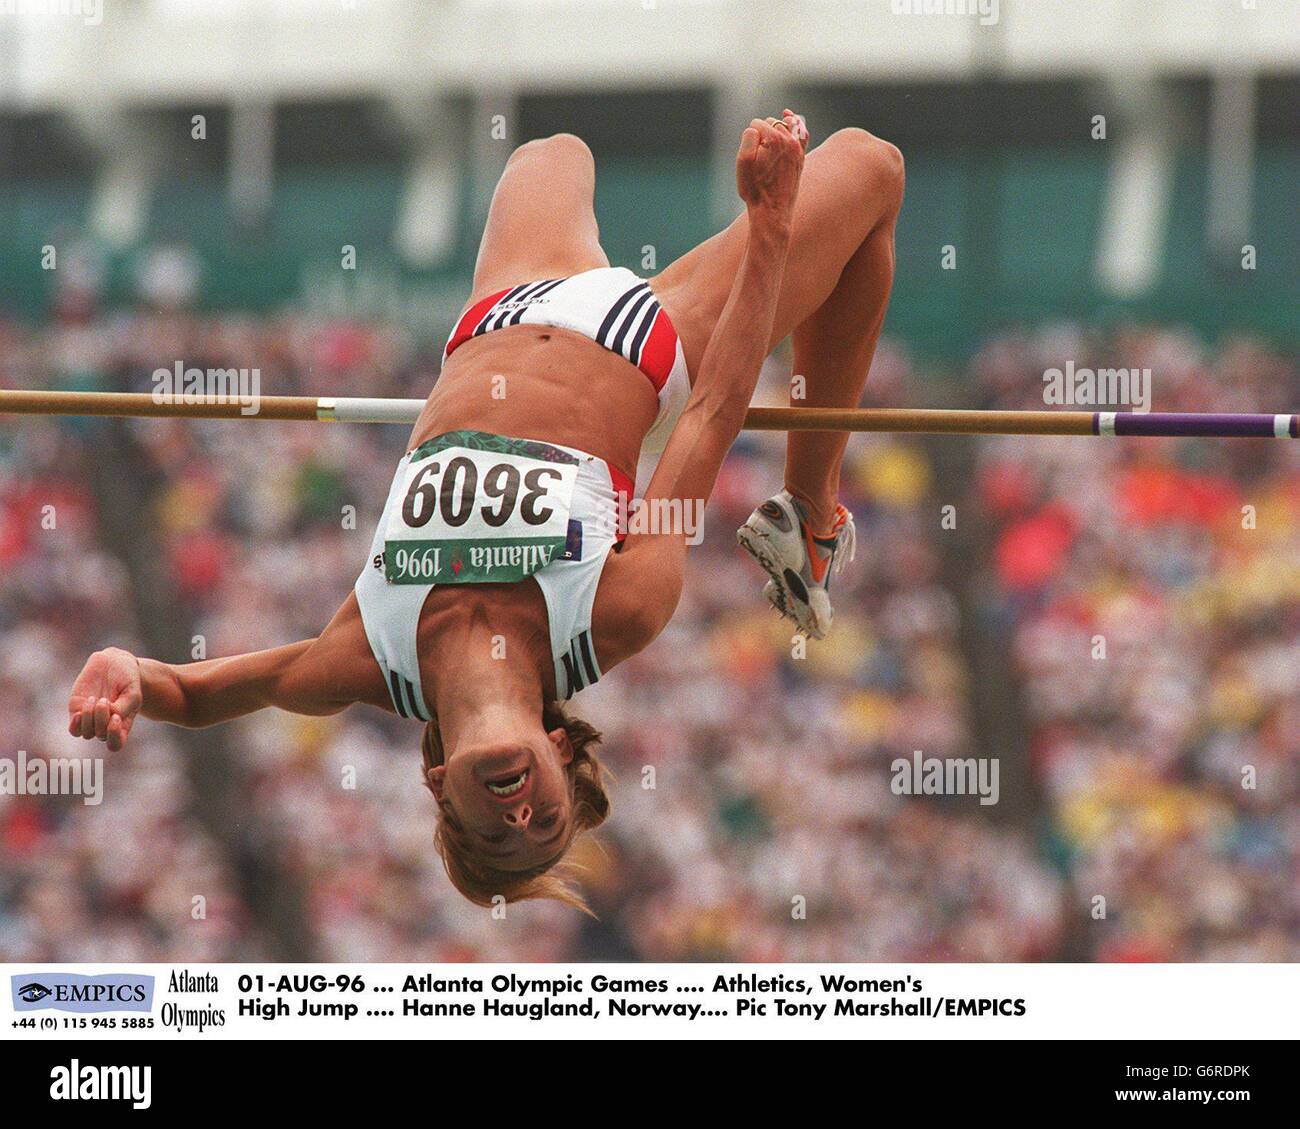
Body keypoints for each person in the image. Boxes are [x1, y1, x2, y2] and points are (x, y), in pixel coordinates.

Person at [67, 111, 904, 909]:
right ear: (561, 747)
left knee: (551, 149)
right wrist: (769, 223)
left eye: (496, 835)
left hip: (496, 318)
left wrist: (129, 672)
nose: (517, 815)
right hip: (645, 340)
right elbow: (714, 411)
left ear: (438, 786)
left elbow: (199, 692)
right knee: (873, 170)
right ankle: (811, 519)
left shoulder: (366, 660)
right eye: (543, 820)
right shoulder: (613, 617)